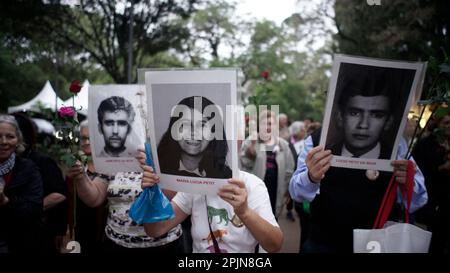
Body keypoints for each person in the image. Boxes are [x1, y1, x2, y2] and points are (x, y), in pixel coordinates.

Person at [289, 125, 428, 253]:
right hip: (324, 241)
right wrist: (311, 177)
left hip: (376, 242)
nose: (364, 124)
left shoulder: (396, 144)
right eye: (354, 112)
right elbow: (297, 192)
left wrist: (407, 181)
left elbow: (418, 200)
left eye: (376, 113)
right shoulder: (317, 140)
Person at [66, 124, 184, 253]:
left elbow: (175, 198)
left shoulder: (165, 154)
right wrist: (81, 176)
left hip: (163, 245)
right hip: (116, 243)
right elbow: (95, 198)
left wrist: (152, 167)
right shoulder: (113, 158)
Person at [140, 153, 283, 253]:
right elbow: (155, 230)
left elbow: (274, 244)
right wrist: (152, 194)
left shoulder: (253, 185)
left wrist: (244, 212)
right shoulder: (194, 184)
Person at [326, 65, 411, 159]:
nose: (363, 125)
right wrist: (311, 174)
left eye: (377, 115)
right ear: (340, 117)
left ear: (388, 122)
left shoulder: (399, 157)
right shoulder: (322, 151)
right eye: (355, 113)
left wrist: (405, 173)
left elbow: (417, 174)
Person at [13, 113, 68, 254]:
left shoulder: (42, 161)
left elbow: (59, 194)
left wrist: (25, 210)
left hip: (39, 231)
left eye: (10, 135)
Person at [157, 96, 232, 179]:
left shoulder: (227, 177)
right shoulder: (156, 169)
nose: (193, 132)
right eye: (185, 124)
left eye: (202, 125)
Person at [240, 110, 295, 219]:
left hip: (275, 189)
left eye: (271, 124)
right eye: (265, 124)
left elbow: (289, 169)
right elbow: (243, 167)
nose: (268, 127)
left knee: (272, 220)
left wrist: (286, 190)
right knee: (253, 220)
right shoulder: (250, 141)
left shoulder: (283, 145)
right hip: (255, 191)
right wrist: (250, 153)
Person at [0, 114, 43, 253]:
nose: (3, 141)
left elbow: (35, 209)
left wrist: (6, 201)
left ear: (18, 140)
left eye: (10, 136)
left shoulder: (28, 169)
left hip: (17, 242)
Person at [66, 120, 108, 254]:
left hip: (102, 227)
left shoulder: (110, 163)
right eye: (84, 138)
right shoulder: (74, 161)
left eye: (92, 138)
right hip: (80, 225)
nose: (87, 142)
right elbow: (67, 197)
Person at [412, 110, 450, 253]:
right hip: (429, 198)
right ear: (438, 124)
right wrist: (441, 167)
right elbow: (418, 170)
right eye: (446, 123)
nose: (449, 126)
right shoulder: (426, 144)